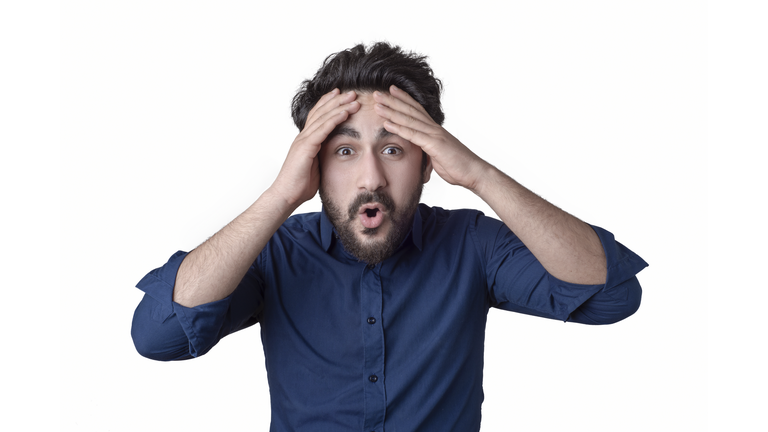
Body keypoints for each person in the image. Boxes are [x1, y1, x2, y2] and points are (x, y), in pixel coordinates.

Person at [131, 42, 648, 431]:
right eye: (345, 151)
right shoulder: (277, 252)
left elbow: (611, 295)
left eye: (396, 150)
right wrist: (278, 198)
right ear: (313, 166)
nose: (372, 178)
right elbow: (158, 336)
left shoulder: (471, 244)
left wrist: (479, 175)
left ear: (428, 164)